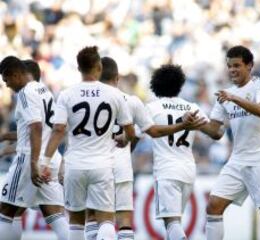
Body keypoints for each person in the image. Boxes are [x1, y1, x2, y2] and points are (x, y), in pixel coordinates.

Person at [84, 57, 205, 240]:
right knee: (125, 220)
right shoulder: (133, 102)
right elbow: (216, 131)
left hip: (98, 163)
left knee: (97, 217)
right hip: (181, 169)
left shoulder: (84, 99)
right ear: (117, 78)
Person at [41, 46, 135, 240]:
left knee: (76, 222)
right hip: (102, 166)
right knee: (106, 220)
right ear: (99, 67)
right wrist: (125, 139)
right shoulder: (114, 94)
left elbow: (58, 130)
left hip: (74, 166)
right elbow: (130, 131)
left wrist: (45, 161)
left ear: (79, 69)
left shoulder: (67, 94)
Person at [203, 45, 260, 240]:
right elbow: (216, 132)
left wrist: (234, 98)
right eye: (229, 66)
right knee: (213, 205)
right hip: (237, 160)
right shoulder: (225, 95)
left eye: (237, 65)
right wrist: (196, 124)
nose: (232, 70)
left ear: (250, 66)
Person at [146, 64, 223, 240]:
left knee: (171, 223)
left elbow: (134, 135)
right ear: (180, 85)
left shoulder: (152, 108)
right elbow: (216, 133)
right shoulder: (192, 108)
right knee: (175, 222)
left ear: (155, 84)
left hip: (167, 170)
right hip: (188, 170)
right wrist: (221, 113)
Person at [0, 57, 68, 240]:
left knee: (5, 210)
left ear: (15, 74)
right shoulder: (44, 90)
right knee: (54, 214)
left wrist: (33, 163)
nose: (6, 85)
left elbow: (36, 128)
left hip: (31, 160)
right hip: (50, 158)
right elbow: (42, 128)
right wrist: (5, 137)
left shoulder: (25, 93)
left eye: (6, 80)